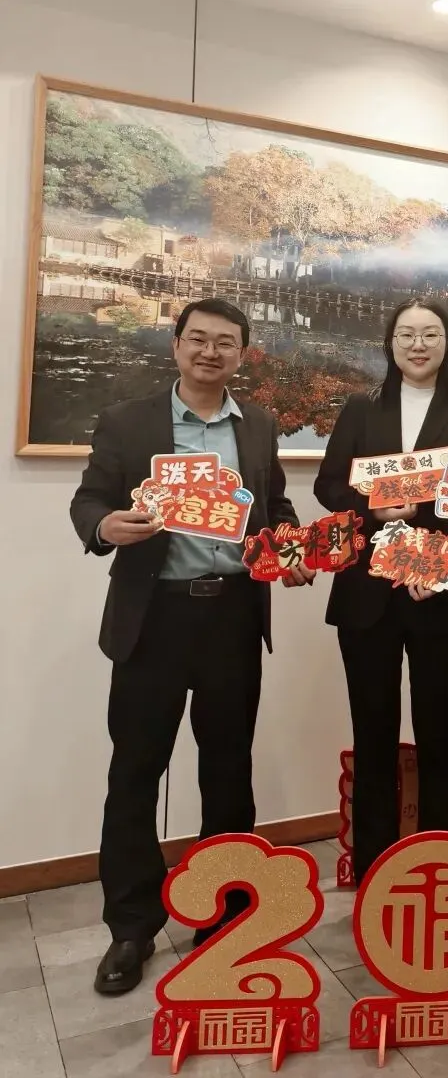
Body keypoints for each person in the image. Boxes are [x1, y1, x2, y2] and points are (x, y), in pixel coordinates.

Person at [70, 298, 313, 996]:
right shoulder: (128, 421)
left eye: (225, 343)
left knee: (228, 767)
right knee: (135, 770)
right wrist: (105, 527)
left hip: (232, 613)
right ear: (176, 345)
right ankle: (131, 925)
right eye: (198, 339)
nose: (211, 352)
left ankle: (226, 912)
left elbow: (275, 506)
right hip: (153, 618)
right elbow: (89, 501)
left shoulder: (257, 424)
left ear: (242, 354)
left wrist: (291, 549)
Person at [314, 298, 448, 885]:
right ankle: (375, 871)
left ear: (446, 343)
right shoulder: (361, 407)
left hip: (435, 591)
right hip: (366, 594)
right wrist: (373, 506)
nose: (418, 344)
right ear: (390, 343)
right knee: (373, 734)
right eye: (407, 334)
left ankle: (443, 865)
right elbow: (329, 484)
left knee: (438, 734)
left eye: (430, 334)